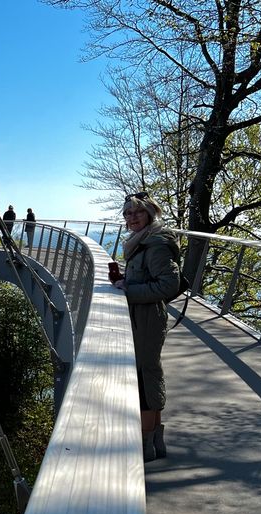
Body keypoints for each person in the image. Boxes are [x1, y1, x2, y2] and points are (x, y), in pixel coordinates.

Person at [112, 192, 182, 462]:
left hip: (148, 318)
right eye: (127, 213)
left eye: (137, 212)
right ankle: (154, 442)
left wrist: (129, 290)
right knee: (147, 373)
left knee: (144, 377)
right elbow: (148, 277)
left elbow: (168, 285)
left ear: (150, 214)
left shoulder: (155, 244)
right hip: (142, 316)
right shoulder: (141, 242)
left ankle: (146, 447)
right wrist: (125, 279)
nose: (131, 217)